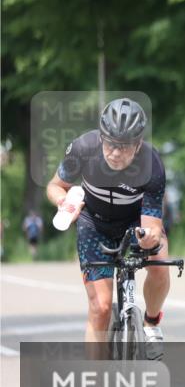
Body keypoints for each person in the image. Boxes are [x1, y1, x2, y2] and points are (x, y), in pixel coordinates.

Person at [45, 98, 170, 359]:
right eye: (110, 143)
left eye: (124, 147)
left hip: (135, 222)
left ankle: (152, 322)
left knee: (159, 264)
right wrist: (62, 200)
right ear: (101, 137)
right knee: (100, 307)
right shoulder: (83, 148)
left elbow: (152, 225)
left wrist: (149, 240)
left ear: (138, 145)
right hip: (94, 223)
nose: (115, 152)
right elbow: (54, 185)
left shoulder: (152, 164)